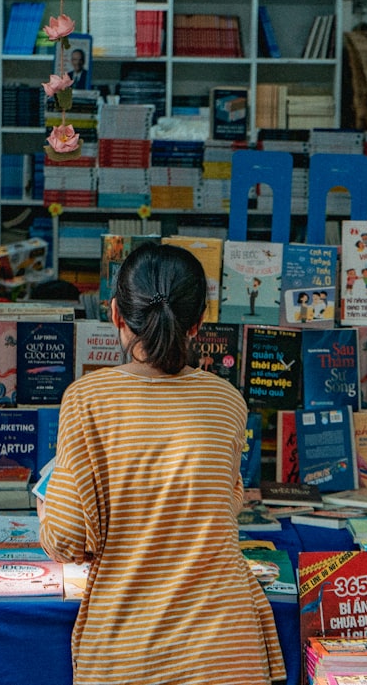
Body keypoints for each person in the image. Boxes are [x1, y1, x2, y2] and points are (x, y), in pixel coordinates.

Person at [38, 243, 285, 685]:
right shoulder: (227, 400)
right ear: (199, 324)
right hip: (227, 651)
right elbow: (226, 503)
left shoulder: (86, 398)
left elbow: (69, 538)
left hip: (129, 649)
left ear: (115, 314)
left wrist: (44, 510)